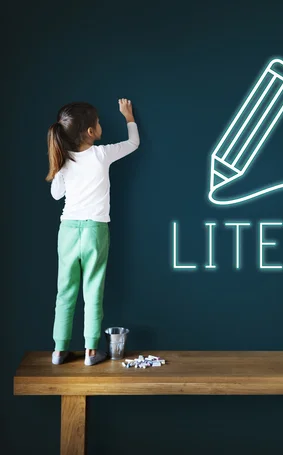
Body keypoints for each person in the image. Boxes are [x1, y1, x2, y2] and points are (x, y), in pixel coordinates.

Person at [46, 99, 140, 365]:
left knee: (64, 291)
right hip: (95, 230)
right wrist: (128, 117)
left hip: (67, 230)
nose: (100, 126)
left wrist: (59, 169)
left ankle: (59, 350)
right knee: (92, 290)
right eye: (97, 123)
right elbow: (133, 144)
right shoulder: (101, 154)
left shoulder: (64, 161)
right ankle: (90, 351)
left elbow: (56, 196)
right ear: (90, 132)